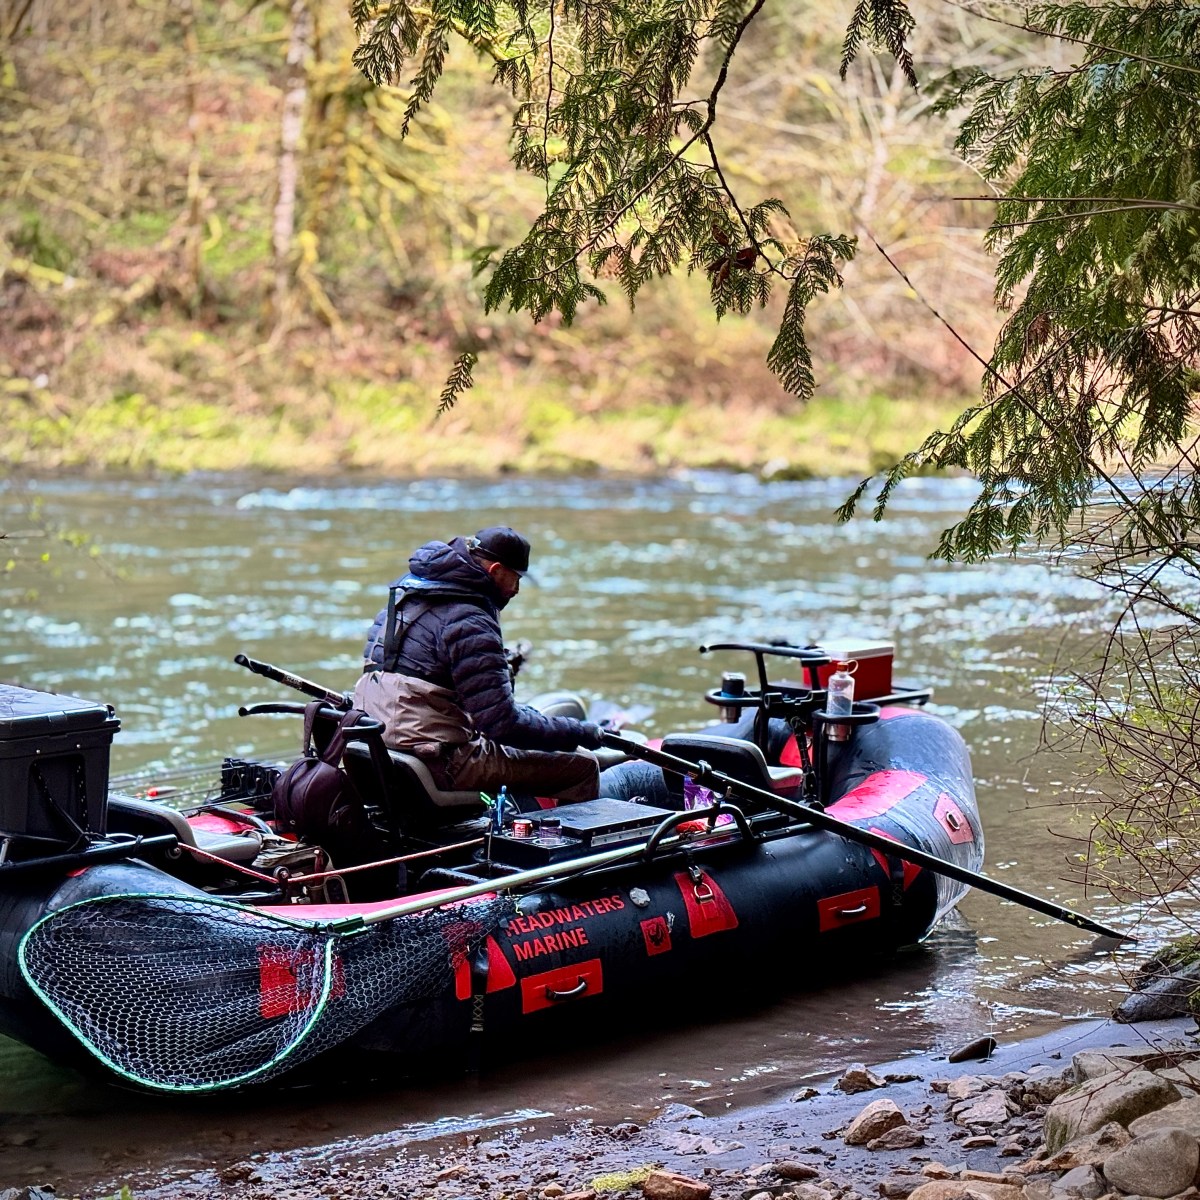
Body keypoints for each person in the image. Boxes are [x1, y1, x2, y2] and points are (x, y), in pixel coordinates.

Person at [353, 526, 604, 804]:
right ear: (495, 571)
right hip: (440, 759)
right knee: (582, 765)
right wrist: (580, 732)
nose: (516, 590)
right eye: (515, 579)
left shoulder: (403, 597)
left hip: (380, 748)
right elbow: (502, 725)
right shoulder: (470, 620)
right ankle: (559, 845)